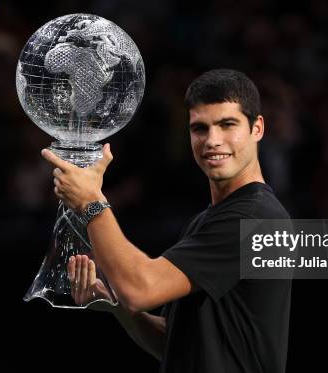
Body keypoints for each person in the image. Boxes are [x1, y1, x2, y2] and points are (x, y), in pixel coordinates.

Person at [42, 69, 292, 373]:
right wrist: (115, 304)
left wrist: (91, 201)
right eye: (200, 128)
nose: (212, 140)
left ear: (257, 129)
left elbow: (140, 289)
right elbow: (170, 343)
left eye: (227, 125)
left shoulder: (255, 218)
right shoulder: (207, 220)